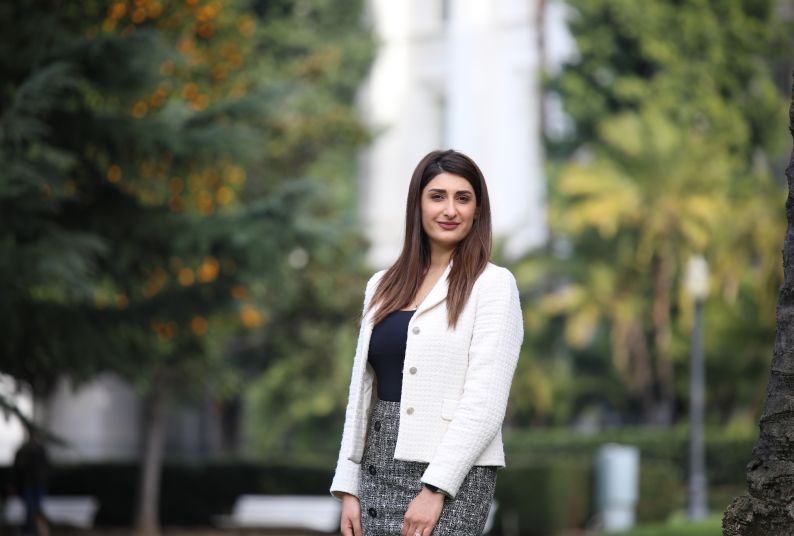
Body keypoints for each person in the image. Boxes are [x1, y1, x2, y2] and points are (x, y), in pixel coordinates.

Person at [330, 149, 524, 536]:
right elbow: (362, 392)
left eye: (462, 198)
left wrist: (435, 489)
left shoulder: (494, 285)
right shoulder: (381, 285)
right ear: (417, 204)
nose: (450, 209)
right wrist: (348, 484)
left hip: (454, 476)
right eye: (437, 196)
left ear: (477, 209)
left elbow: (485, 403)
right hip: (376, 468)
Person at [12, 429, 50, 536]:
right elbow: (18, 469)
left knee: (34, 506)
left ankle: (33, 528)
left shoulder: (38, 450)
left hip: (35, 482)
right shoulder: (25, 451)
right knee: (31, 506)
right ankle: (32, 528)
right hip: (29, 483)